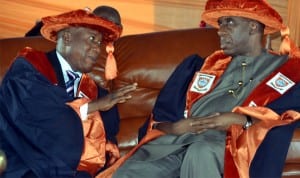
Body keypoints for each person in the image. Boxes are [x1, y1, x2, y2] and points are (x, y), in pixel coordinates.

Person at [107, 0, 300, 178]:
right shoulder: (198, 67)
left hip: (227, 144)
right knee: (130, 171)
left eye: (229, 23)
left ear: (253, 26)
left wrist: (242, 120)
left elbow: (291, 114)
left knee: (201, 152)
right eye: (220, 23)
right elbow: (159, 117)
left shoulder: (288, 70)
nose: (220, 30)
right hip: (175, 142)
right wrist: (174, 127)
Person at [0, 7, 137, 178]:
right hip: (28, 164)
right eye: (92, 39)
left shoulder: (98, 92)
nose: (97, 49)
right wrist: (90, 107)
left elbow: (108, 141)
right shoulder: (29, 67)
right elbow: (35, 113)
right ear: (67, 37)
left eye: (99, 43)